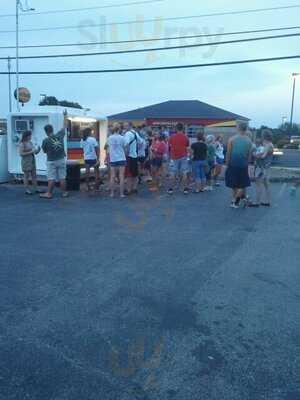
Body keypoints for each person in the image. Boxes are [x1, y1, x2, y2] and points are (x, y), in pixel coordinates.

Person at [225, 121, 253, 208]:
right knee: (241, 184)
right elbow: (249, 155)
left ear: (238, 128)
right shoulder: (249, 141)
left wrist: (227, 164)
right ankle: (235, 200)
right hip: (243, 165)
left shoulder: (232, 139)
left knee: (234, 184)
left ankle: (235, 201)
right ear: (246, 129)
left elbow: (228, 153)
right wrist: (247, 164)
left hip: (233, 164)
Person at [40, 121, 68, 199]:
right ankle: (64, 193)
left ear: (46, 132)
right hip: (61, 159)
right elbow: (64, 126)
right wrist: (65, 116)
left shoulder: (45, 140)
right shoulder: (59, 135)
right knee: (62, 177)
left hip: (51, 161)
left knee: (51, 178)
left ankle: (49, 193)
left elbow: (44, 151)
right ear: (52, 129)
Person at [249, 130, 274, 207]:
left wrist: (254, 154)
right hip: (266, 167)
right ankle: (268, 201)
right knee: (266, 184)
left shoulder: (268, 145)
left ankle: (257, 202)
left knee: (258, 184)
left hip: (261, 168)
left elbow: (263, 156)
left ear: (264, 136)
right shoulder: (270, 144)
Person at [168, 123, 190, 195]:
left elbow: (170, 146)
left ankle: (171, 188)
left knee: (173, 173)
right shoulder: (185, 137)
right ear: (183, 128)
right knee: (184, 173)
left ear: (176, 129)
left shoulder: (171, 137)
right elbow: (187, 146)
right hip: (183, 156)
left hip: (174, 157)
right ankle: (185, 189)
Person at [106, 122, 127, 198]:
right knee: (121, 176)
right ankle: (121, 194)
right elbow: (125, 148)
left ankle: (112, 193)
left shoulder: (109, 138)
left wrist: (108, 157)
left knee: (112, 176)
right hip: (121, 158)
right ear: (119, 129)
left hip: (113, 159)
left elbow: (107, 148)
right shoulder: (122, 138)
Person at [19, 130, 41, 195]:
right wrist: (31, 152)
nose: (31, 136)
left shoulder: (30, 143)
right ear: (27, 136)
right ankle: (27, 189)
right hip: (26, 161)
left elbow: (35, 152)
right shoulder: (22, 144)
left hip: (32, 161)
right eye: (30, 135)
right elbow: (21, 153)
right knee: (26, 176)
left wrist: (38, 150)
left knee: (34, 175)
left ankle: (36, 188)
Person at [124, 122, 143, 195]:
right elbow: (141, 142)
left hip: (129, 156)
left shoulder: (127, 134)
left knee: (129, 174)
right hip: (135, 155)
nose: (125, 127)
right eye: (125, 126)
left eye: (126, 125)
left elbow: (126, 145)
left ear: (130, 126)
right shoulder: (135, 132)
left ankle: (128, 190)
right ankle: (134, 188)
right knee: (135, 174)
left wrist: (126, 154)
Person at [81, 128, 100, 192]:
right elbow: (97, 149)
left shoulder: (82, 140)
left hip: (86, 158)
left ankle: (88, 186)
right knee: (96, 173)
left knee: (87, 173)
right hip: (93, 158)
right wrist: (98, 158)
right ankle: (96, 187)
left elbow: (82, 149)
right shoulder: (93, 139)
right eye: (91, 132)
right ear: (89, 132)